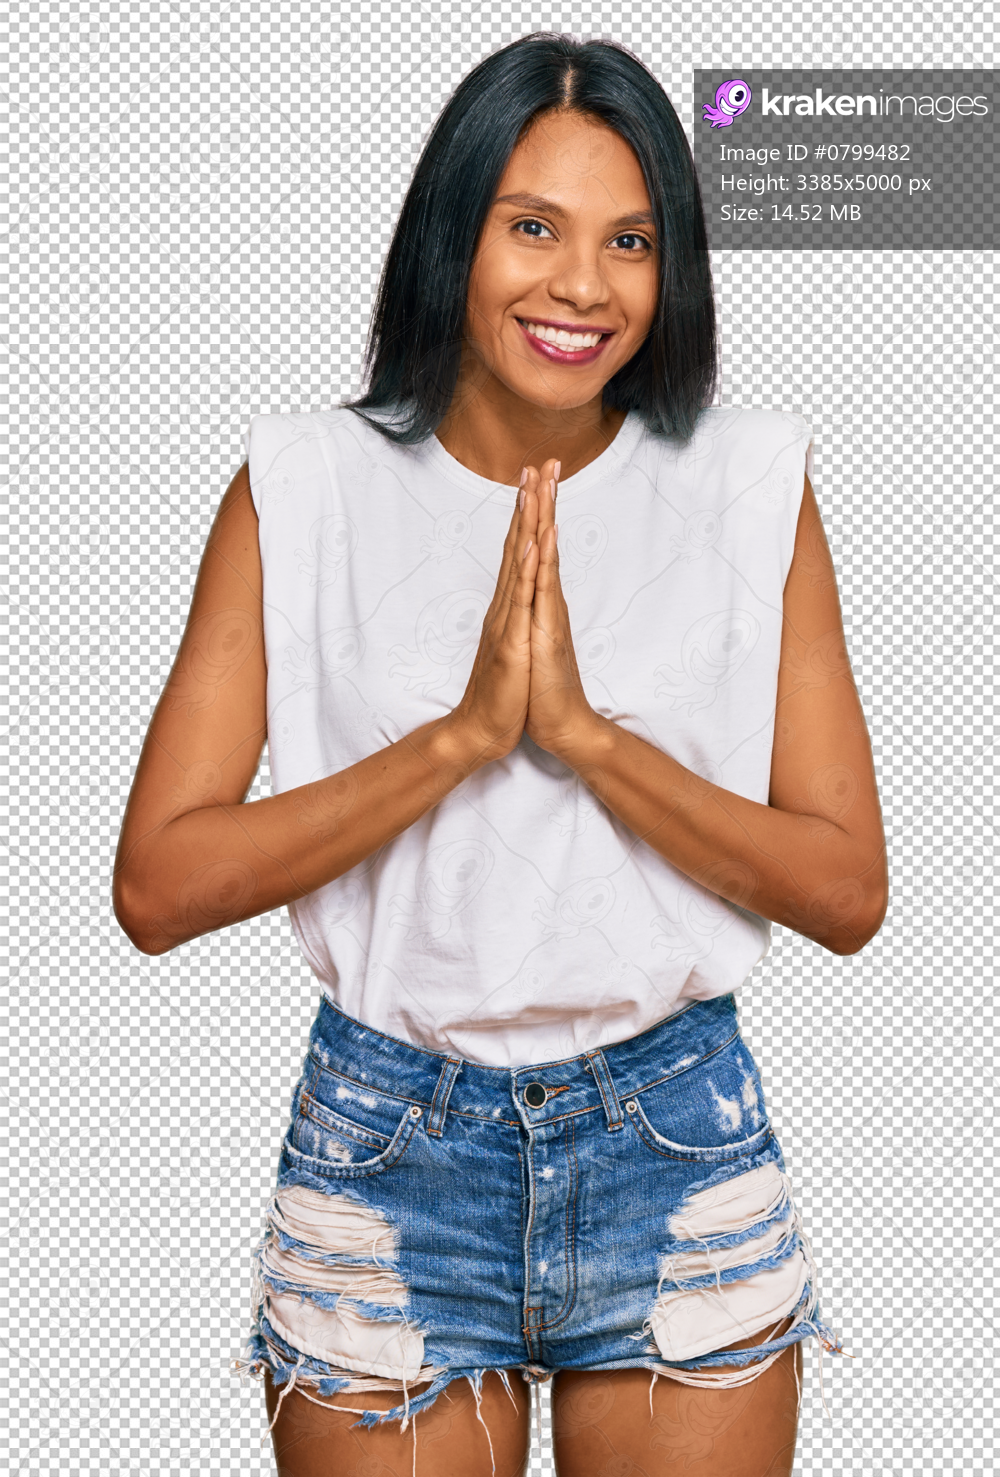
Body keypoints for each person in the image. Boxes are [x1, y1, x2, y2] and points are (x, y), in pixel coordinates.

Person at [113, 32, 887, 1477]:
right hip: (388, 1148)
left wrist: (587, 741)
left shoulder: (747, 483)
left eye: (631, 241)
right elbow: (157, 884)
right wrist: (464, 738)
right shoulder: (303, 489)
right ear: (450, 236)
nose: (582, 285)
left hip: (675, 1141)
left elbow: (847, 891)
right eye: (533, 227)